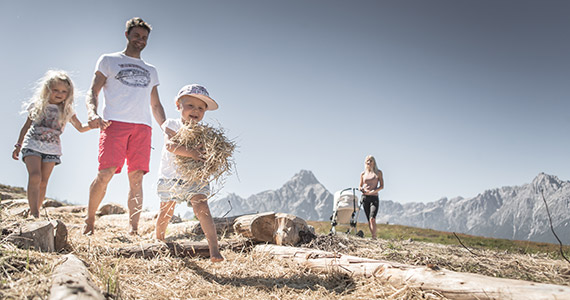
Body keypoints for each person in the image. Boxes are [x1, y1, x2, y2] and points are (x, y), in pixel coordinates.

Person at [84, 17, 166, 235]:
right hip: (114, 123)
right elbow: (93, 91)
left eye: (144, 38)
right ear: (127, 35)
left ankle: (133, 228)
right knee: (105, 173)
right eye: (137, 36)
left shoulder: (151, 70)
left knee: (136, 177)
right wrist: (92, 112)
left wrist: (166, 128)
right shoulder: (109, 60)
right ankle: (89, 220)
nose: (140, 40)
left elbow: (156, 104)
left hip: (142, 127)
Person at [155, 84, 224, 262]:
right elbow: (170, 146)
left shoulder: (204, 133)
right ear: (179, 106)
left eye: (201, 108)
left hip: (195, 179)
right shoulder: (171, 124)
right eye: (191, 106)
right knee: (166, 212)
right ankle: (158, 240)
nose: (196, 110)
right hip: (171, 178)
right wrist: (192, 152)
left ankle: (214, 250)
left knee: (203, 209)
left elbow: (210, 154)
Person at [12, 70, 92, 218]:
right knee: (35, 176)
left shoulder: (67, 110)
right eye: (55, 90)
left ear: (69, 93)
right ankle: (35, 213)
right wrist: (18, 145)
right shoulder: (37, 105)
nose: (59, 94)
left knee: (43, 181)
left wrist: (94, 125)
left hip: (52, 149)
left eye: (63, 91)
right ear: (47, 90)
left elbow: (80, 128)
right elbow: (26, 126)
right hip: (32, 144)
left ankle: (35, 209)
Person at [359, 155, 384, 239]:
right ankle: (373, 236)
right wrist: (361, 189)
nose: (369, 162)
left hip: (374, 197)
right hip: (365, 197)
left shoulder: (378, 173)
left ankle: (374, 236)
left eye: (371, 161)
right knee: (369, 219)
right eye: (367, 161)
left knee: (372, 218)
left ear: (374, 162)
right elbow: (360, 185)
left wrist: (374, 191)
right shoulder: (363, 174)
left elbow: (381, 186)